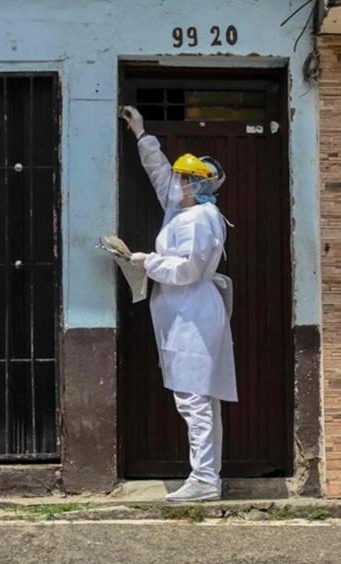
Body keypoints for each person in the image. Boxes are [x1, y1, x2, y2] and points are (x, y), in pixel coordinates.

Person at [120, 105, 236, 503]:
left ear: (200, 184)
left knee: (194, 397)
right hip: (182, 313)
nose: (178, 182)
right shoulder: (183, 211)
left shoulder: (201, 219)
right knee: (197, 396)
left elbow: (188, 270)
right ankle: (207, 475)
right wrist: (141, 133)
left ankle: (204, 479)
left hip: (193, 313)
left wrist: (145, 262)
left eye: (185, 178)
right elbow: (159, 172)